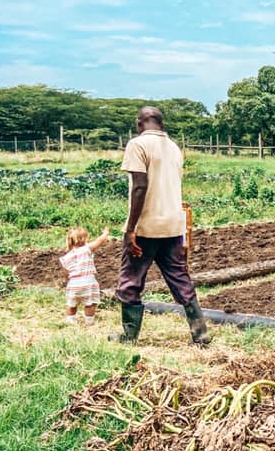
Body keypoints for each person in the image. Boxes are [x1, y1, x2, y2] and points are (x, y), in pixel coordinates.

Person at [112, 106, 211, 345]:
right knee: (179, 276)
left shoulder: (138, 145)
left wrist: (130, 229)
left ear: (139, 124)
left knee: (131, 281)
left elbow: (139, 186)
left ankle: (129, 335)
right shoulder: (174, 147)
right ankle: (201, 333)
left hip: (147, 226)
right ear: (162, 124)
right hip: (173, 225)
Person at [60, 226, 109, 325]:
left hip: (73, 283)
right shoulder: (86, 249)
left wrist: (68, 281)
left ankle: (70, 320)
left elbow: (66, 273)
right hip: (88, 282)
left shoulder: (65, 258)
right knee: (89, 303)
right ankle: (89, 321)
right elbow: (99, 241)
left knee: (71, 304)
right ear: (85, 239)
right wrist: (105, 233)